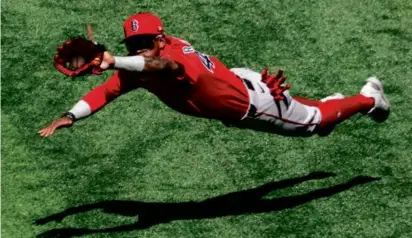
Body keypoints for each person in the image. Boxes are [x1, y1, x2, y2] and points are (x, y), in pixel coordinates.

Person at [38, 12, 390, 138]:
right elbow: (107, 91)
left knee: (314, 123)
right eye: (133, 43)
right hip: (234, 85)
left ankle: (369, 96)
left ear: (161, 39)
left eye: (145, 41)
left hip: (251, 101)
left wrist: (113, 60)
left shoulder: (170, 58)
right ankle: (331, 105)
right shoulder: (140, 65)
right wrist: (70, 115)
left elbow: (164, 67)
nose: (139, 48)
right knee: (310, 118)